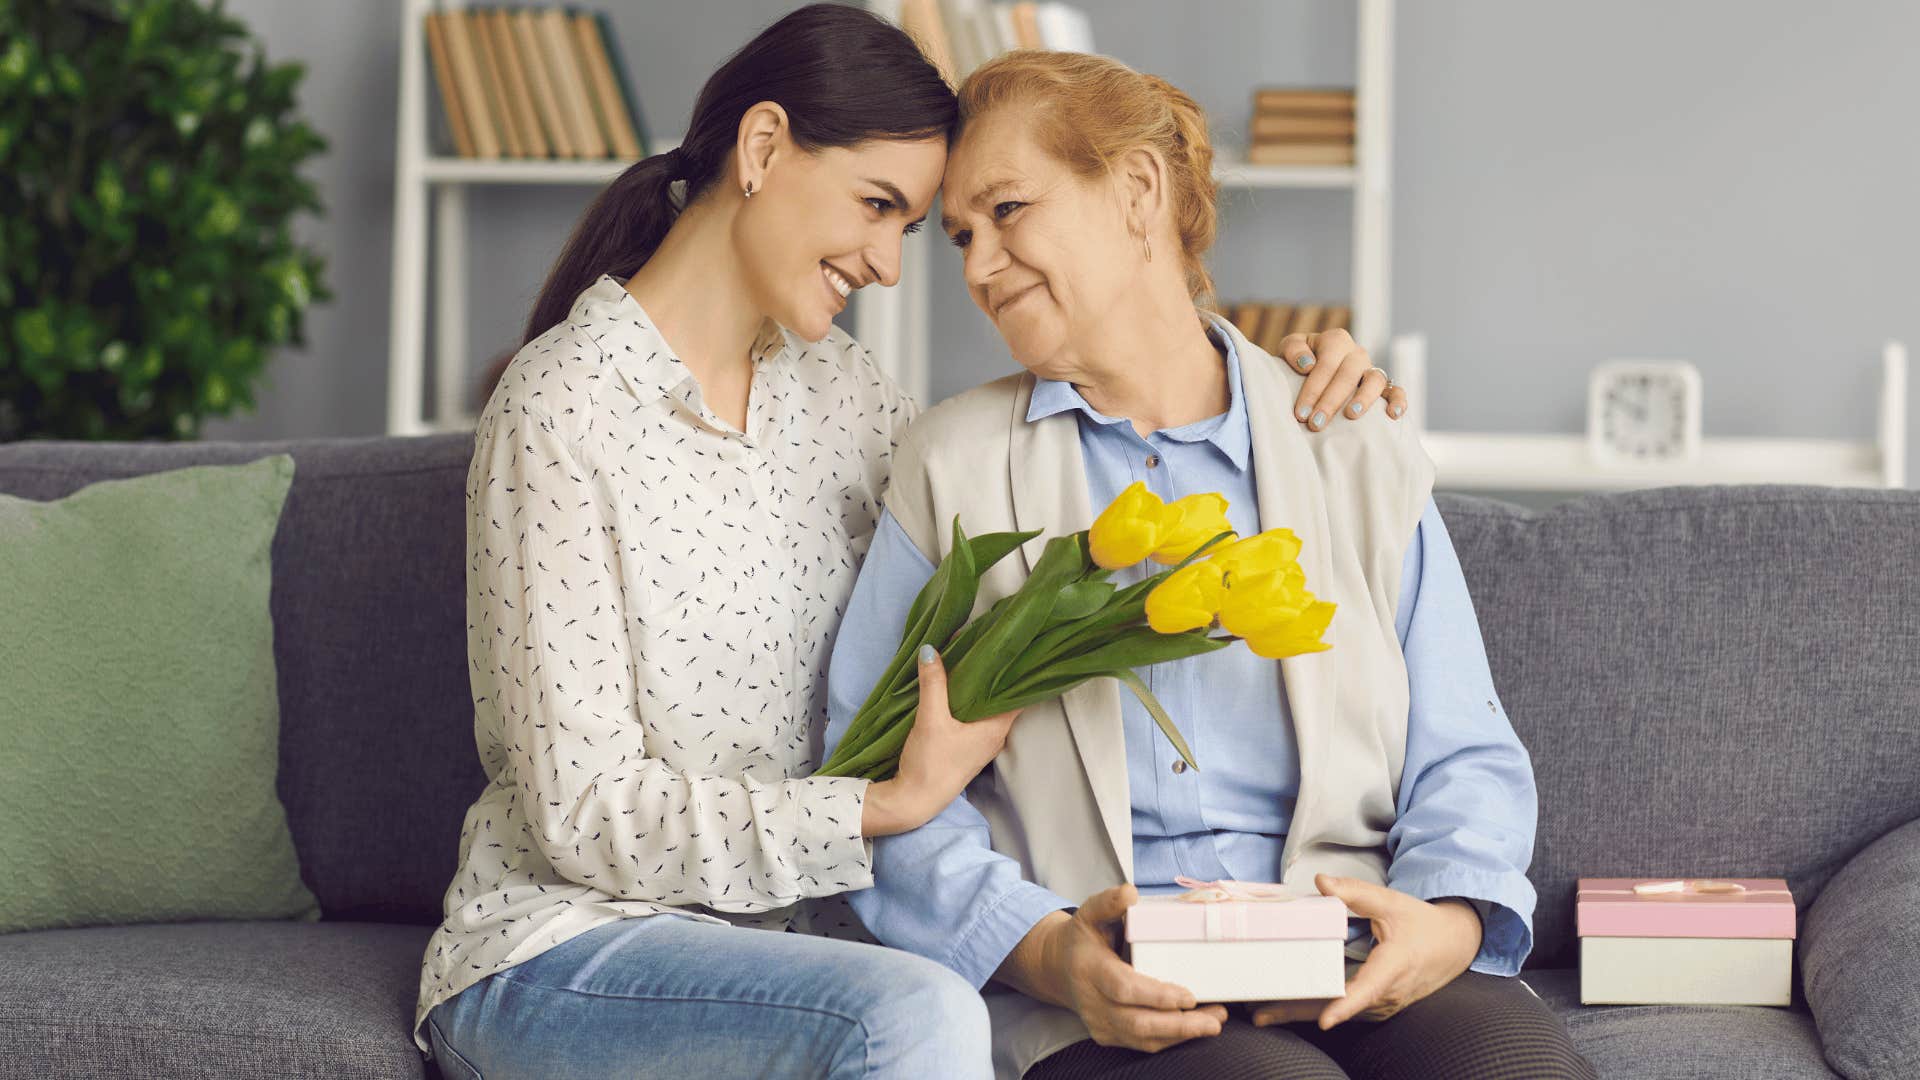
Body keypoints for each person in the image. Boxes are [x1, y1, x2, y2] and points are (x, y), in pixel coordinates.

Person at [414, 8, 1406, 1078]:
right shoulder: (559, 409)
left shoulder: (845, 400)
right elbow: (583, 816)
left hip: (797, 956)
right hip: (569, 947)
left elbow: (1060, 460)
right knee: (921, 1019)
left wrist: (1287, 386)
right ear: (761, 150)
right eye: (879, 207)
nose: (893, 266)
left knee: (920, 1006)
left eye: (916, 226)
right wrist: (879, 807)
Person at [823, 50, 1597, 1080]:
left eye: (1009, 211)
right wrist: (1049, 951)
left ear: (1139, 191)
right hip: (1105, 986)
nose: (976, 266)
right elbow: (874, 780)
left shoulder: (1348, 438)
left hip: (1348, 950)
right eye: (961, 235)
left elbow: (1464, 747)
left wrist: (1444, 922)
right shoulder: (953, 466)